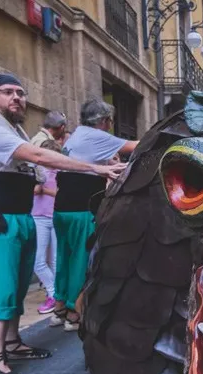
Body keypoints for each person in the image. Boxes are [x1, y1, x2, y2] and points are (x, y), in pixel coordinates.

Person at [0, 73, 126, 374]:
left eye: (21, 93)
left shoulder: (13, 127)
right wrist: (96, 167)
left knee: (16, 283)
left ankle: (12, 343)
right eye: (8, 92)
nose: (17, 97)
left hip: (16, 216)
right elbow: (38, 156)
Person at [51, 99, 138, 331]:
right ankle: (73, 313)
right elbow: (136, 146)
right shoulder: (96, 135)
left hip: (62, 208)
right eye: (110, 120)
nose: (110, 124)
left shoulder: (77, 135)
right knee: (82, 258)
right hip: (82, 207)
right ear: (103, 120)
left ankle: (59, 307)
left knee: (65, 257)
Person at [32, 140, 60, 314]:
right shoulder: (36, 171)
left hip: (55, 216)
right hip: (38, 216)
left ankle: (56, 297)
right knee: (38, 260)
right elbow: (33, 190)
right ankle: (53, 292)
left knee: (56, 260)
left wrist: (46, 190)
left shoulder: (60, 172)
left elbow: (62, 194)